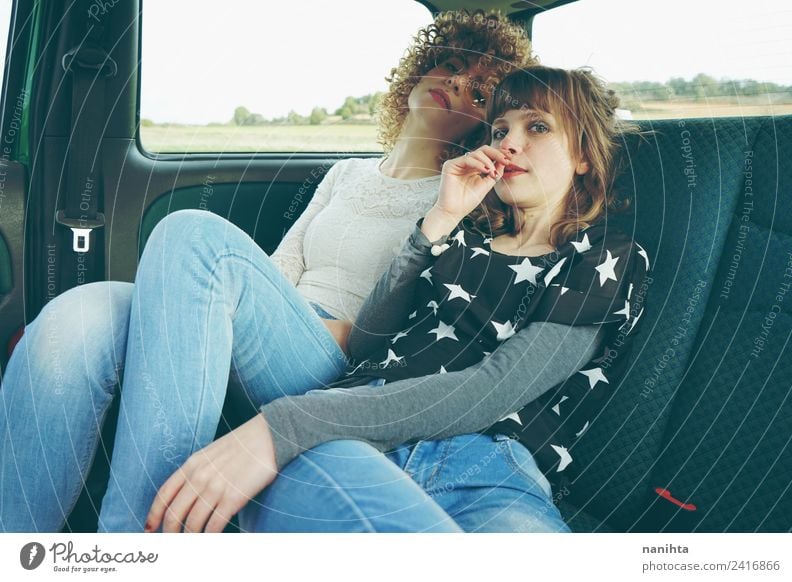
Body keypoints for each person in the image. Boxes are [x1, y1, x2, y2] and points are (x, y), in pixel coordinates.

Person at [0, 10, 538, 532]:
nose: (458, 84)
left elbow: (415, 331)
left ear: (485, 128)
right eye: (450, 66)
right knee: (78, 314)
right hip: (270, 323)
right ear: (420, 69)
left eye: (479, 92)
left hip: (337, 357)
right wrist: (221, 317)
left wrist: (231, 319)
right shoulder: (344, 175)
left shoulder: (464, 196)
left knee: (194, 234)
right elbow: (279, 271)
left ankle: (140, 544)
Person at [145, 65, 651, 534]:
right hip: (354, 444)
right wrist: (437, 221)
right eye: (500, 130)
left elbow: (495, 388)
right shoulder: (464, 239)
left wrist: (293, 422)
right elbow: (368, 344)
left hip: (488, 470)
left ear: (585, 155)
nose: (510, 143)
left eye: (536, 128)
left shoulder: (603, 253)